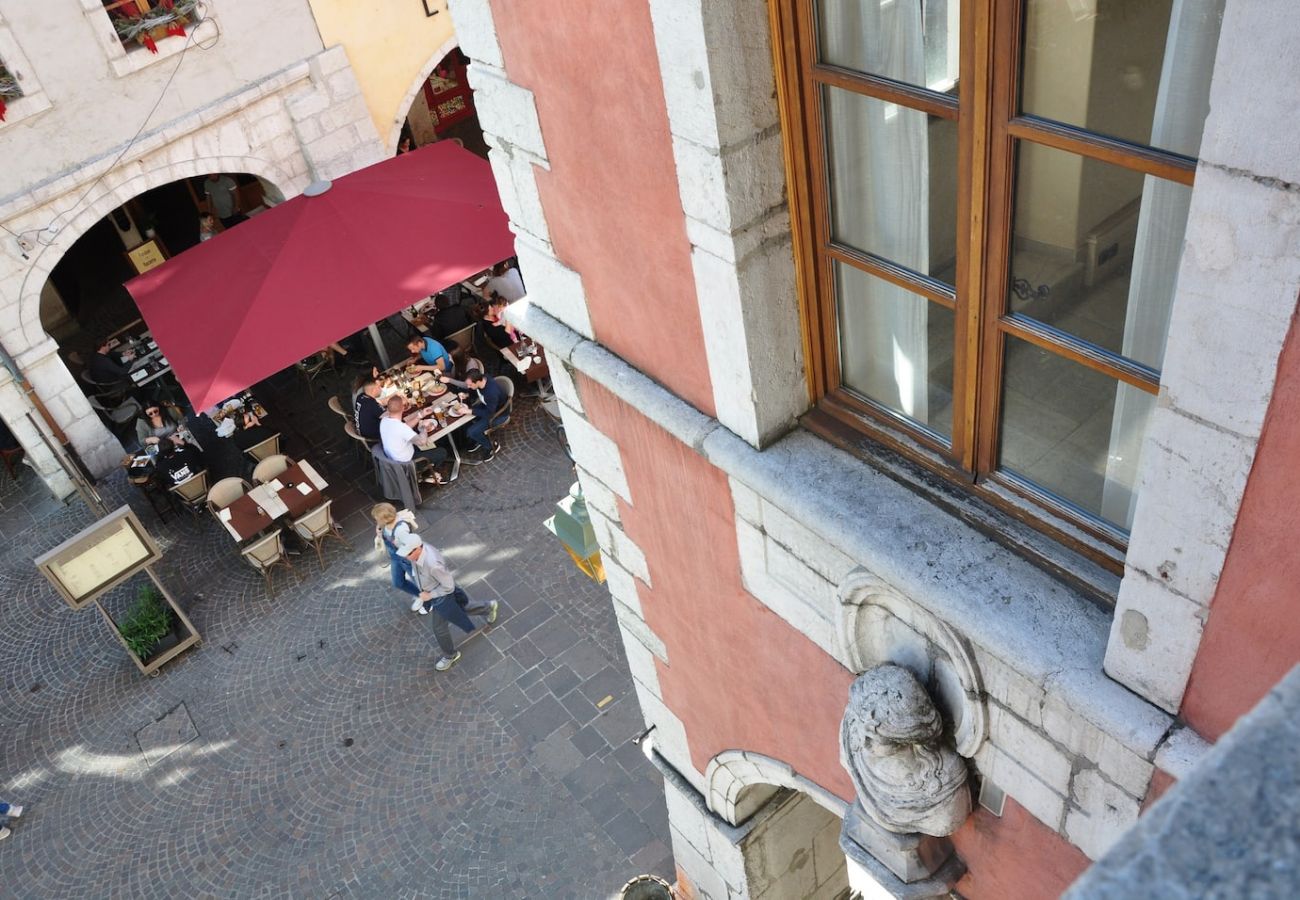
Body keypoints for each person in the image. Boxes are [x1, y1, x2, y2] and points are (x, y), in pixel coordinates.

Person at [395, 532, 499, 671]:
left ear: (417, 549)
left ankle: (450, 655)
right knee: (461, 610)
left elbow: (448, 587)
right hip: (436, 590)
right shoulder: (419, 551)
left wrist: (430, 595)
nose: (406, 557)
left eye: (408, 553)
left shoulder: (432, 565)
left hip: (441, 596)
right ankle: (488, 607)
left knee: (439, 628)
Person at [439, 368, 503, 463]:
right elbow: (476, 391)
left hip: (498, 414)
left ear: (477, 381)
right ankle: (478, 438)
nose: (468, 387)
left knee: (471, 431)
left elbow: (490, 413)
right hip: (486, 406)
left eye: (470, 385)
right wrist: (467, 395)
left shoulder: (491, 393)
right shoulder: (482, 380)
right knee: (465, 419)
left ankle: (491, 445)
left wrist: (469, 411)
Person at [379, 396, 447, 482]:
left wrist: (421, 415)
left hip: (395, 459)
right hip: (408, 464)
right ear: (403, 408)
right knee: (442, 452)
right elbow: (422, 441)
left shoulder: (384, 420)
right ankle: (429, 474)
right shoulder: (401, 428)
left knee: (428, 445)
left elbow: (405, 427)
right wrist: (424, 428)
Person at [370, 503, 421, 605]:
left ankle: (428, 602)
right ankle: (420, 596)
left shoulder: (400, 530)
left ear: (384, 519)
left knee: (420, 582)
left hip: (406, 559)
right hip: (396, 558)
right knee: (398, 582)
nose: (376, 521)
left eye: (377, 519)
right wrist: (380, 533)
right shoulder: (386, 525)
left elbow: (411, 546)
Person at [353, 376, 384, 440]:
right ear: (374, 390)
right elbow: (391, 417)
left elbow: (379, 404)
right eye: (379, 387)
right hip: (373, 436)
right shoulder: (371, 405)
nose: (381, 389)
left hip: (363, 432)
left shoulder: (361, 397)